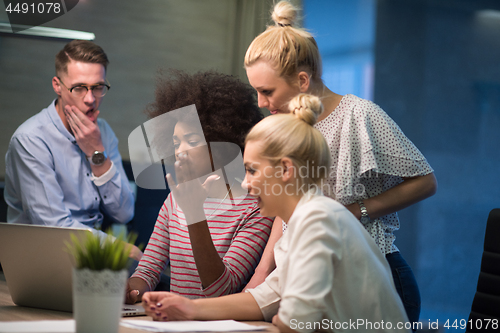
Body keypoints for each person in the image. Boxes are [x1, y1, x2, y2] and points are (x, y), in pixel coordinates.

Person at [140, 94, 411, 333]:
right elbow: (264, 299)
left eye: (252, 170)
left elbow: (292, 324)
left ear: (285, 170)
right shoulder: (304, 223)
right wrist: (188, 308)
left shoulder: (318, 221)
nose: (246, 183)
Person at [242, 1, 438, 326]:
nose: (262, 103)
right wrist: (263, 272)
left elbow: (425, 181)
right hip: (312, 274)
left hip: (374, 277)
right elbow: (288, 202)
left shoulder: (359, 115)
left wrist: (355, 211)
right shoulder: (290, 129)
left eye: (267, 91)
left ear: (303, 81)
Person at [125, 70, 273, 303]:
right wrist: (129, 291)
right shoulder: (175, 200)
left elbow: (221, 290)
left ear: (221, 144)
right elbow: (148, 271)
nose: (180, 150)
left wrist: (194, 213)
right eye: (175, 142)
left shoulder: (254, 208)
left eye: (192, 141)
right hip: (173, 322)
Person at [4, 40, 139, 257]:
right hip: (44, 256)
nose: (90, 99)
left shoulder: (103, 132)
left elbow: (124, 213)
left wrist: (96, 153)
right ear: (57, 85)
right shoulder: (30, 139)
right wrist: (121, 249)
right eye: (78, 88)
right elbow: (54, 227)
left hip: (91, 254)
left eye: (97, 87)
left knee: (160, 283)